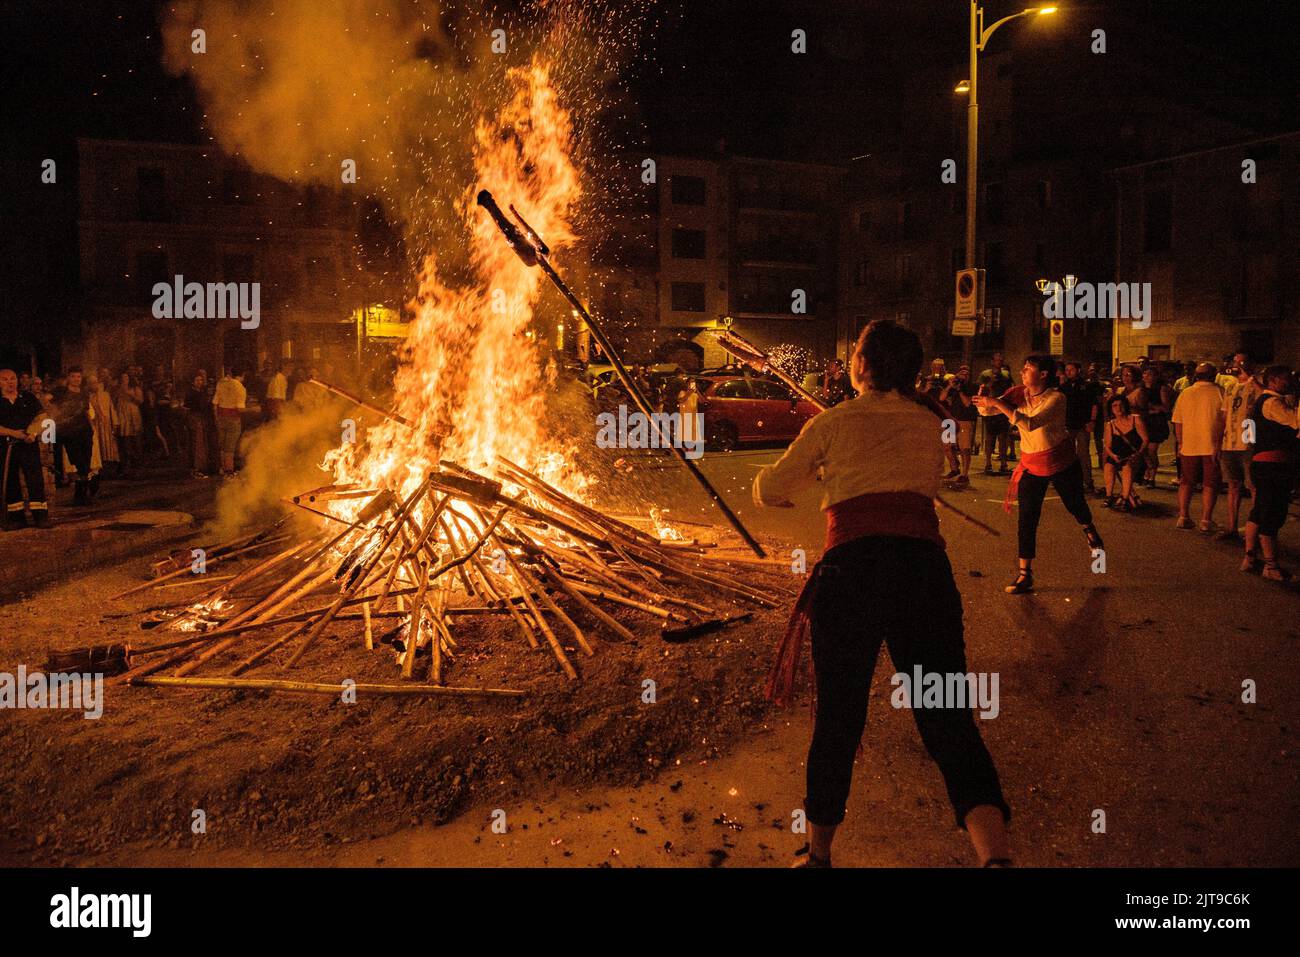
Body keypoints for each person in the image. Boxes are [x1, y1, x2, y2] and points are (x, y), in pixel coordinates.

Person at [754, 319, 1011, 868]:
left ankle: (819, 855)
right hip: (923, 571)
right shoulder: (928, 423)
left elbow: (771, 488)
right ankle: (995, 856)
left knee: (839, 717)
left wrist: (812, 475)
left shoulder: (834, 423)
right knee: (946, 713)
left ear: (863, 366)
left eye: (856, 355)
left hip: (853, 571)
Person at [973, 355, 1104, 595]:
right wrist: (982, 403)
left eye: (1028, 369)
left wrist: (997, 404)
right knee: (1027, 518)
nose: (1022, 372)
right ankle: (1025, 574)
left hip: (1060, 462)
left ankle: (1089, 529)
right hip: (1032, 465)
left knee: (1075, 505)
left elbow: (1031, 424)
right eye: (1022, 368)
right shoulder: (1018, 393)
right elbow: (989, 412)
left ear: (1043, 374)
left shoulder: (1056, 398)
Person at [1241, 365, 1298, 581]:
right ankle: (1271, 566)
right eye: (1285, 379)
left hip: (1261, 462)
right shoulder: (1273, 403)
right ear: (1272, 381)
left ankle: (1250, 556)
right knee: (1272, 513)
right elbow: (1295, 421)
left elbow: (1247, 435)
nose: (1289, 383)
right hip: (1274, 464)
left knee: (1260, 510)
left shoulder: (1258, 404)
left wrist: (1253, 455)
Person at [1169, 363, 1223, 533]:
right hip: (1211, 445)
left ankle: (1183, 516)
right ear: (1213, 375)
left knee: (1186, 481)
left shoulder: (1186, 393)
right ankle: (1206, 519)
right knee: (1210, 483)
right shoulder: (1220, 392)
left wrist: (1180, 443)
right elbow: (1224, 419)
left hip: (1189, 445)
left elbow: (1177, 421)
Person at [1218, 358, 1261, 542]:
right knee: (1233, 484)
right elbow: (1224, 415)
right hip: (1229, 442)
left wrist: (1252, 376)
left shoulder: (1256, 385)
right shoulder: (1230, 387)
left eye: (1240, 362)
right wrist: (1218, 441)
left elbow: (1263, 397)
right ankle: (1232, 526)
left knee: (1253, 486)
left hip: (1248, 440)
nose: (1236, 366)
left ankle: (1257, 530)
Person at [0, 368, 49, 529]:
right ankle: (16, 518)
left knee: (35, 479)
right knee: (10, 481)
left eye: (12, 378)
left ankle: (40, 516)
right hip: (6, 447)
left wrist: (32, 432)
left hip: (28, 444)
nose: (10, 382)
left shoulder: (27, 397)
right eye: (5, 379)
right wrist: (13, 433)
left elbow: (42, 418)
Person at [51, 367, 98, 505]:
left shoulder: (84, 393)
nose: (76, 379)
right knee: (79, 462)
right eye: (73, 376)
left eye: (78, 376)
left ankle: (81, 495)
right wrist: (54, 414)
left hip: (84, 430)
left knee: (85, 461)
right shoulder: (61, 392)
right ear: (68, 377)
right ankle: (91, 482)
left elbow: (86, 411)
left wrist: (91, 427)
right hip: (69, 432)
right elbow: (45, 399)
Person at [1059, 361, 1102, 493]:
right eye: (1067, 370)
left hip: (1083, 425)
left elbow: (1094, 405)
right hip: (1068, 425)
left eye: (1071, 369)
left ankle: (1087, 481)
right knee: (1066, 454)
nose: (1068, 372)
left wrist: (1092, 421)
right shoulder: (1064, 387)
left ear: (1078, 370)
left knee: (1083, 454)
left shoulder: (1087, 386)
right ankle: (1068, 481)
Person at [1100, 395, 1148, 511]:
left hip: (1134, 454)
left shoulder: (1135, 419)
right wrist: (1112, 455)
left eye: (1121, 405)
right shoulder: (1110, 425)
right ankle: (1109, 496)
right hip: (1118, 455)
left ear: (1126, 405)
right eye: (1114, 406)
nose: (1118, 408)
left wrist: (1139, 454)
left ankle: (1125, 498)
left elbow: (1145, 440)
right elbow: (1108, 445)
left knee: (1127, 467)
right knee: (1108, 466)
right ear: (1111, 409)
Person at [1133, 367, 1173, 488]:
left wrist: (1152, 408)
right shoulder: (1140, 389)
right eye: (1145, 373)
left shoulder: (1161, 389)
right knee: (1142, 450)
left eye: (1150, 374)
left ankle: (1152, 476)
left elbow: (1166, 407)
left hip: (1155, 423)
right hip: (1142, 421)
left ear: (1156, 376)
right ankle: (1146, 471)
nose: (1147, 376)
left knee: (1151, 450)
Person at [941, 363, 977, 487]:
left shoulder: (971, 387)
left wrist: (960, 389)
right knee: (946, 445)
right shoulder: (953, 385)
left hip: (964, 420)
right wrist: (949, 386)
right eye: (962, 372)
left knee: (964, 448)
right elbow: (942, 398)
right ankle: (954, 469)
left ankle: (964, 475)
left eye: (966, 373)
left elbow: (967, 403)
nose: (964, 375)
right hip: (950, 420)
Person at [978, 352, 1013, 474]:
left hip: (1003, 409)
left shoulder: (1006, 374)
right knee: (990, 437)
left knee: (1003, 437)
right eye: (997, 360)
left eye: (1001, 359)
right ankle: (988, 463)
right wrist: (990, 382)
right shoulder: (985, 374)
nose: (999, 362)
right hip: (990, 410)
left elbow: (1010, 388)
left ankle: (1004, 464)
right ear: (992, 361)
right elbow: (981, 390)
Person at [212, 368, 247, 477]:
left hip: (221, 417)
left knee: (222, 444)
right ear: (243, 374)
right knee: (230, 446)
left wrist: (216, 418)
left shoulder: (221, 383)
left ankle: (222, 468)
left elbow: (215, 404)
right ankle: (229, 471)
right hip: (233, 418)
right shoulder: (240, 387)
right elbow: (240, 408)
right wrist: (253, 409)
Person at [86, 372, 120, 477]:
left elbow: (111, 409)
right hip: (95, 425)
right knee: (98, 447)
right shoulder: (88, 397)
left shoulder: (105, 395)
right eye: (91, 383)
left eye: (95, 383)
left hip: (106, 425)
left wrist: (115, 422)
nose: (94, 385)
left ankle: (110, 468)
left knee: (108, 446)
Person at [114, 370, 144, 467]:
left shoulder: (135, 388)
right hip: (122, 414)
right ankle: (127, 459)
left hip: (132, 413)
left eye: (126, 377)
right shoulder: (117, 389)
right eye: (122, 378)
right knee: (125, 437)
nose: (124, 379)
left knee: (135, 437)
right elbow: (114, 401)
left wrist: (131, 395)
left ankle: (138, 459)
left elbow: (140, 401)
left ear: (129, 378)